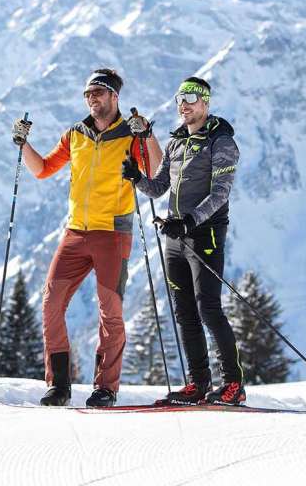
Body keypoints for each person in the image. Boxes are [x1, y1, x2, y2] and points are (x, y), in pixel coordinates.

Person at [11, 68, 161, 407]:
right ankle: (59, 385)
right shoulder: (75, 135)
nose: (92, 98)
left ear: (114, 96)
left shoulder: (130, 135)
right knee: (51, 304)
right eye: (88, 94)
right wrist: (24, 145)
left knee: (110, 311)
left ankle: (105, 388)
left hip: (113, 234)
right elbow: (42, 169)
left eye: (99, 92)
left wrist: (148, 134)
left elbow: (155, 169)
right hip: (75, 232)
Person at [121, 76, 245, 405]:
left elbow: (220, 194)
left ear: (206, 102)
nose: (184, 104)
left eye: (191, 98)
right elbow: (160, 187)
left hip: (205, 235)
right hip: (175, 237)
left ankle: (234, 383)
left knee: (209, 308)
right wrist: (137, 179)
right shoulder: (176, 142)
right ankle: (198, 383)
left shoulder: (221, 140)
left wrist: (190, 221)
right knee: (184, 312)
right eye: (180, 99)